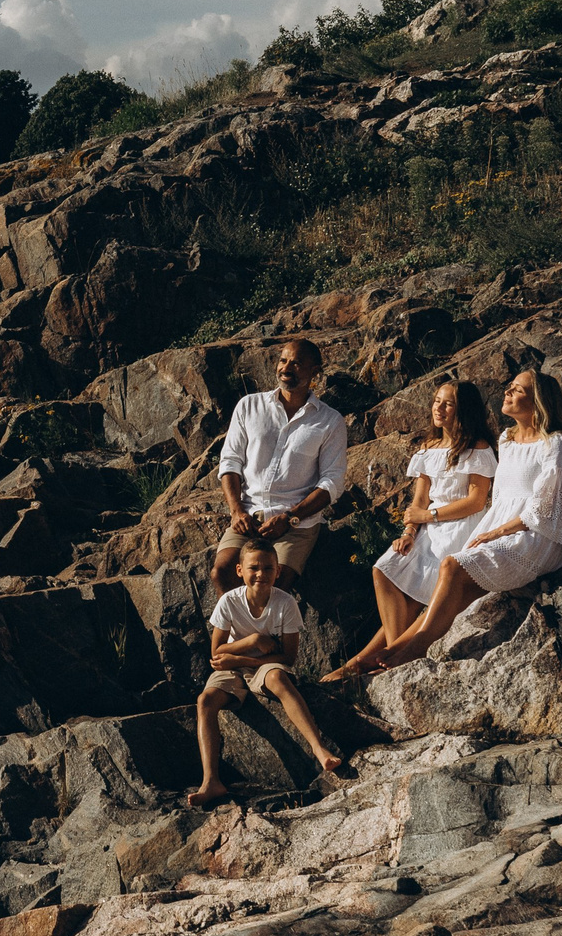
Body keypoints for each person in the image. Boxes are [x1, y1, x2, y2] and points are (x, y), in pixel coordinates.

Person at [371, 368, 562, 670]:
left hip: (535, 535)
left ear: (538, 401)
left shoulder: (554, 442)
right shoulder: (506, 439)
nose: (507, 392)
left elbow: (546, 505)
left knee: (451, 565)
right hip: (500, 526)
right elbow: (502, 499)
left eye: (517, 389)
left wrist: (498, 532)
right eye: (509, 386)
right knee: (452, 589)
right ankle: (388, 653)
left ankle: (413, 650)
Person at [327, 380, 496, 682]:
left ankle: (370, 661)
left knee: (419, 598)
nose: (438, 407)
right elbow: (419, 499)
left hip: (461, 527)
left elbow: (476, 501)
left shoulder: (477, 448)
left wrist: (428, 515)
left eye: (447, 403)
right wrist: (408, 531)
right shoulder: (429, 448)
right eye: (436, 401)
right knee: (384, 568)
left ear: (463, 410)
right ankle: (391, 653)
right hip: (428, 526)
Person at [188, 544, 348, 807]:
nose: (260, 573)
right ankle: (211, 781)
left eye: (267, 568)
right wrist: (252, 640)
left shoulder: (285, 604)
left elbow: (288, 658)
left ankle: (318, 749)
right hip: (231, 666)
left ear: (278, 572)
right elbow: (217, 652)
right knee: (205, 701)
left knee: (277, 678)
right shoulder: (229, 601)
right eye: (253, 567)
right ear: (240, 571)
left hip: (266, 665)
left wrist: (246, 659)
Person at [213, 337, 348, 597]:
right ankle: (235, 638)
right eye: (283, 360)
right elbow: (230, 461)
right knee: (222, 573)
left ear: (314, 371)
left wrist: (289, 518)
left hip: (296, 526)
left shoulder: (330, 421)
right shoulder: (249, 406)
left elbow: (332, 483)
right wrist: (236, 510)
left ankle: (261, 638)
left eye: (297, 363)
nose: (286, 368)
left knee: (271, 588)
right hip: (248, 517)